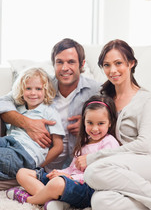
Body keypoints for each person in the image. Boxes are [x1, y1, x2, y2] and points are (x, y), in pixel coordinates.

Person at [75, 39, 151, 210]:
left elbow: (145, 145)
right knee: (100, 201)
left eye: (118, 63)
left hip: (149, 160)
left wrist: (95, 157)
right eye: (106, 65)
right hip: (118, 166)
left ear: (131, 63)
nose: (112, 70)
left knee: (93, 171)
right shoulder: (105, 98)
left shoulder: (148, 100)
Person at [0, 38, 101, 175]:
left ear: (82, 65)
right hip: (27, 153)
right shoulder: (42, 85)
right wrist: (28, 123)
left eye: (71, 62)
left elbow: (110, 120)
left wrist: (87, 127)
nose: (65, 68)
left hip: (71, 164)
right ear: (53, 64)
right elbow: (3, 102)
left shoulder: (94, 90)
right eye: (59, 62)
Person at [6, 95, 119, 209]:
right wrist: (59, 172)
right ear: (84, 121)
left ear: (110, 123)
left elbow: (101, 176)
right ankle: (50, 199)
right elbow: (72, 168)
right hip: (67, 179)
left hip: (86, 188)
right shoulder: (84, 142)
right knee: (23, 173)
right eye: (90, 122)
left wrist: (68, 178)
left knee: (57, 184)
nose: (94, 128)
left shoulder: (109, 143)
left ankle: (29, 199)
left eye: (100, 123)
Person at [0, 67, 65, 180]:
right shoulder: (17, 109)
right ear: (21, 90)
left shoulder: (49, 112)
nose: (33, 93)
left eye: (38, 89)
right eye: (28, 88)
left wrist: (38, 165)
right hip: (9, 143)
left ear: (46, 91)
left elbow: (58, 147)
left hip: (25, 155)